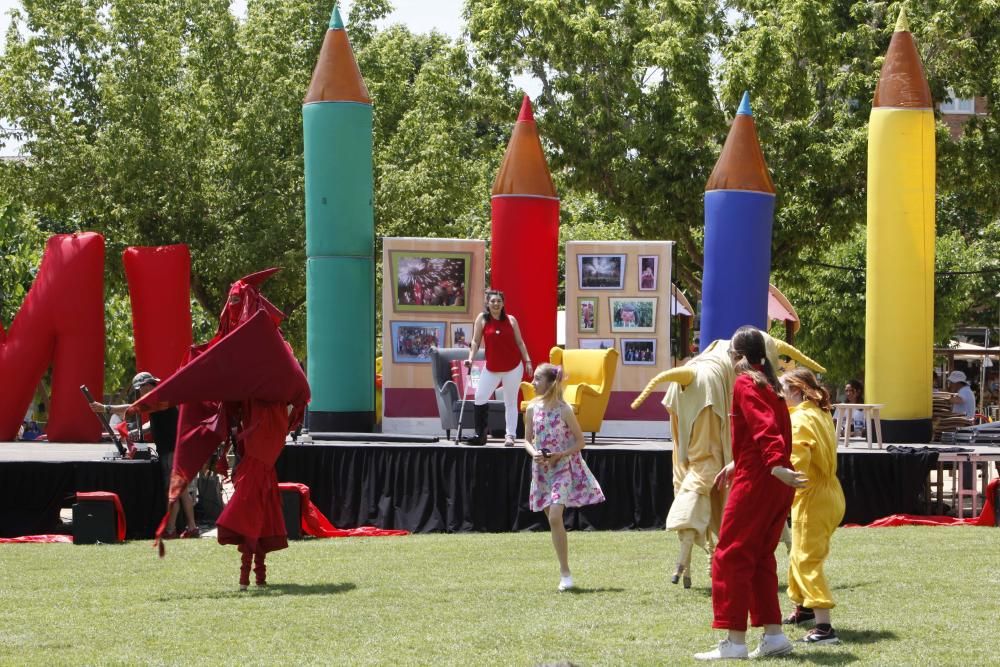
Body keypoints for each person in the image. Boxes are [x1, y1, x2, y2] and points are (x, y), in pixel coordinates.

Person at [694, 326, 806, 661]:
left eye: (730, 356)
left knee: (731, 556)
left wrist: (772, 463)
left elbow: (763, 427)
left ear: (738, 357)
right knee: (759, 558)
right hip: (772, 483)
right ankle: (773, 636)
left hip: (759, 481)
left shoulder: (745, 382)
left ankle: (734, 642)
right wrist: (739, 463)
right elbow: (766, 429)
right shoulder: (770, 383)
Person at [524, 363, 605, 591]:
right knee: (554, 521)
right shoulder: (532, 408)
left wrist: (561, 454)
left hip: (563, 467)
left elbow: (580, 442)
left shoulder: (564, 409)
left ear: (550, 384)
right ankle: (564, 568)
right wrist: (535, 454)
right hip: (541, 470)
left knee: (555, 515)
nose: (533, 383)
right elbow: (527, 439)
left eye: (538, 379)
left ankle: (565, 573)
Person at [90, 372, 199, 539]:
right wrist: (135, 431)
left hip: (170, 450)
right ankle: (191, 527)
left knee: (173, 491)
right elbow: (154, 421)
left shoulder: (158, 397)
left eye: (140, 389)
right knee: (182, 491)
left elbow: (132, 408)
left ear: (147, 385)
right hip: (175, 448)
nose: (139, 392)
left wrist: (105, 408)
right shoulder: (160, 397)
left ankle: (171, 530)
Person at [780, 368, 846, 645]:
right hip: (830, 494)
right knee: (798, 552)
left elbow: (797, 467)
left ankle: (824, 628)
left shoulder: (799, 420)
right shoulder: (820, 414)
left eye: (782, 389)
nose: (778, 394)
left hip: (812, 498)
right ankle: (805, 607)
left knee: (807, 559)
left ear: (796, 390)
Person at [465, 290, 533, 446]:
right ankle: (480, 435)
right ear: (488, 304)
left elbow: (520, 342)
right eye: (493, 301)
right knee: (480, 397)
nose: (496, 304)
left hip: (513, 367)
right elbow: (475, 342)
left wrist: (527, 361)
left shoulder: (511, 320)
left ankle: (510, 435)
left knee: (510, 402)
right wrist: (470, 358)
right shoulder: (482, 319)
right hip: (492, 368)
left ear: (503, 303)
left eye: (499, 301)